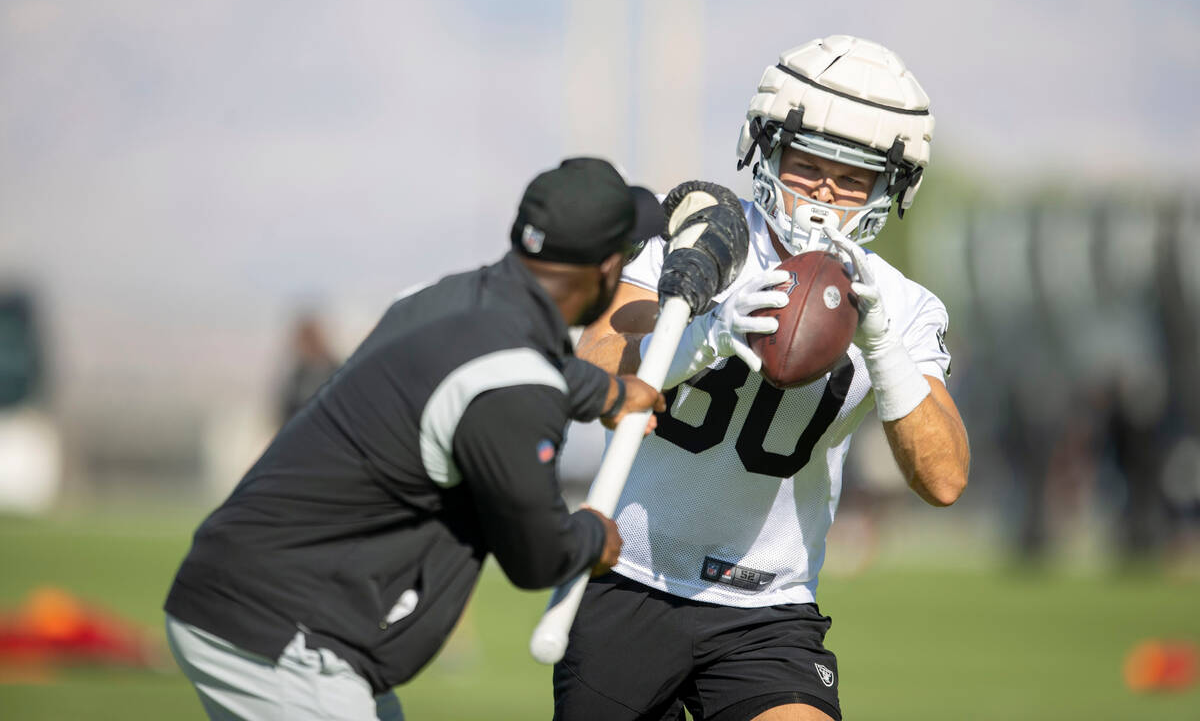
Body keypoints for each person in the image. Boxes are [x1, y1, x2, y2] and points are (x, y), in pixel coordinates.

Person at [555, 36, 970, 721]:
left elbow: (946, 479)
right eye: (807, 166)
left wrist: (882, 347)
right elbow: (594, 372)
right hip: (627, 579)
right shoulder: (697, 236)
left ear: (888, 189)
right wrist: (702, 337)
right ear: (765, 150)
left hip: (766, 607)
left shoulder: (897, 305)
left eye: (852, 177)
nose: (824, 194)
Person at [164, 157, 667, 721]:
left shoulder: (445, 298)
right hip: (283, 634)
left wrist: (606, 391)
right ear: (605, 269)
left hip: (249, 597)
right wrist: (593, 537)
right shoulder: (514, 386)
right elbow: (537, 555)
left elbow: (498, 364)